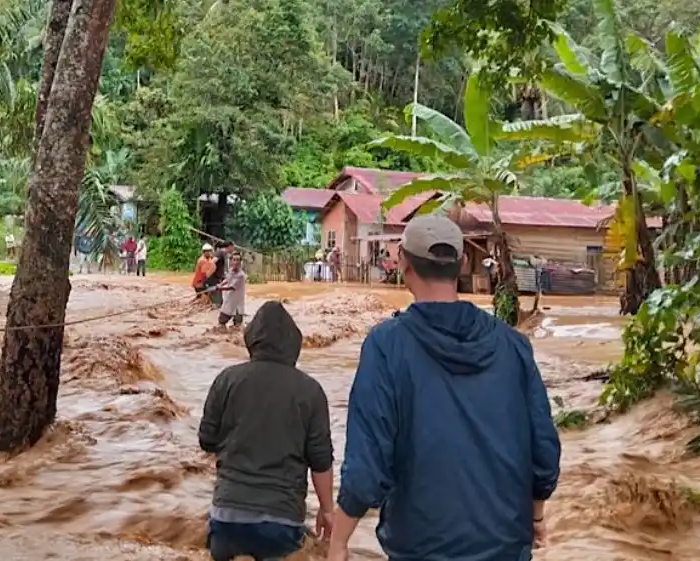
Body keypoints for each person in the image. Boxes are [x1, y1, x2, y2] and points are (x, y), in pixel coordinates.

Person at [327, 214, 561, 561]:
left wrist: (339, 542)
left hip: (421, 548)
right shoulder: (512, 345)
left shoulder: (387, 345)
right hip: (505, 544)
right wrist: (536, 515)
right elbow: (543, 448)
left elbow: (367, 465)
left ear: (403, 263)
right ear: (463, 263)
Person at [199, 301, 334, 561]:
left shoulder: (226, 380)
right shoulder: (311, 391)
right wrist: (327, 510)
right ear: (294, 344)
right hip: (282, 522)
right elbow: (321, 461)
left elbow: (207, 440)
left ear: (251, 340)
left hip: (226, 517)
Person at [216, 251, 246, 328]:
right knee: (221, 323)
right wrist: (220, 284)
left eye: (238, 260)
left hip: (238, 306)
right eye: (234, 260)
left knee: (237, 326)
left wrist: (220, 288)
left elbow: (232, 287)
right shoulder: (230, 271)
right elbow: (227, 280)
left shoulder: (241, 275)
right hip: (229, 302)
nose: (236, 262)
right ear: (231, 261)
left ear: (240, 262)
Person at [206, 241, 233, 308]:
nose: (233, 249)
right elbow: (212, 262)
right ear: (229, 247)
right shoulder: (220, 253)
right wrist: (210, 272)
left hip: (217, 278)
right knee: (217, 303)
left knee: (220, 302)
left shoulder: (224, 254)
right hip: (214, 278)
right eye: (233, 247)